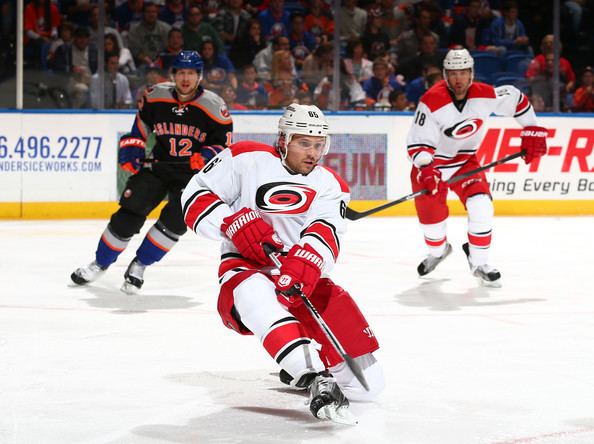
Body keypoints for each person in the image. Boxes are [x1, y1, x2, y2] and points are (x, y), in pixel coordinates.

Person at [180, 104, 384, 422]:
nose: (313, 152)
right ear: (284, 139)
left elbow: (326, 232)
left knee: (369, 386)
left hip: (298, 274)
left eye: (319, 145)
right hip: (244, 265)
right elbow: (194, 196)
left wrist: (306, 263)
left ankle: (296, 368)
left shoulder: (331, 185)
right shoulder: (244, 159)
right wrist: (231, 221)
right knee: (254, 293)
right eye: (304, 143)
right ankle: (316, 377)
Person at [71, 51, 233, 293]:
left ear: (199, 76)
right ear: (173, 74)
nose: (185, 78)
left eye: (191, 73)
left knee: (175, 223)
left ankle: (140, 265)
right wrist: (133, 146)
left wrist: (207, 155)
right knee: (128, 215)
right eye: (181, 73)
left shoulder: (214, 106)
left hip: (191, 176)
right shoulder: (155, 96)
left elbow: (224, 144)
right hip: (157, 166)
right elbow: (140, 127)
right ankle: (100, 263)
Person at [406, 49, 547, 287]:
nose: (458, 79)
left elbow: (515, 98)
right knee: (433, 228)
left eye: (463, 72)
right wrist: (426, 167)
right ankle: (438, 251)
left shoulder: (484, 95)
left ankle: (479, 262)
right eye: (453, 74)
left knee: (481, 206)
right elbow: (418, 142)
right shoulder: (431, 101)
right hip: (431, 168)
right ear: (445, 75)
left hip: (465, 164)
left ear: (471, 73)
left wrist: (531, 128)